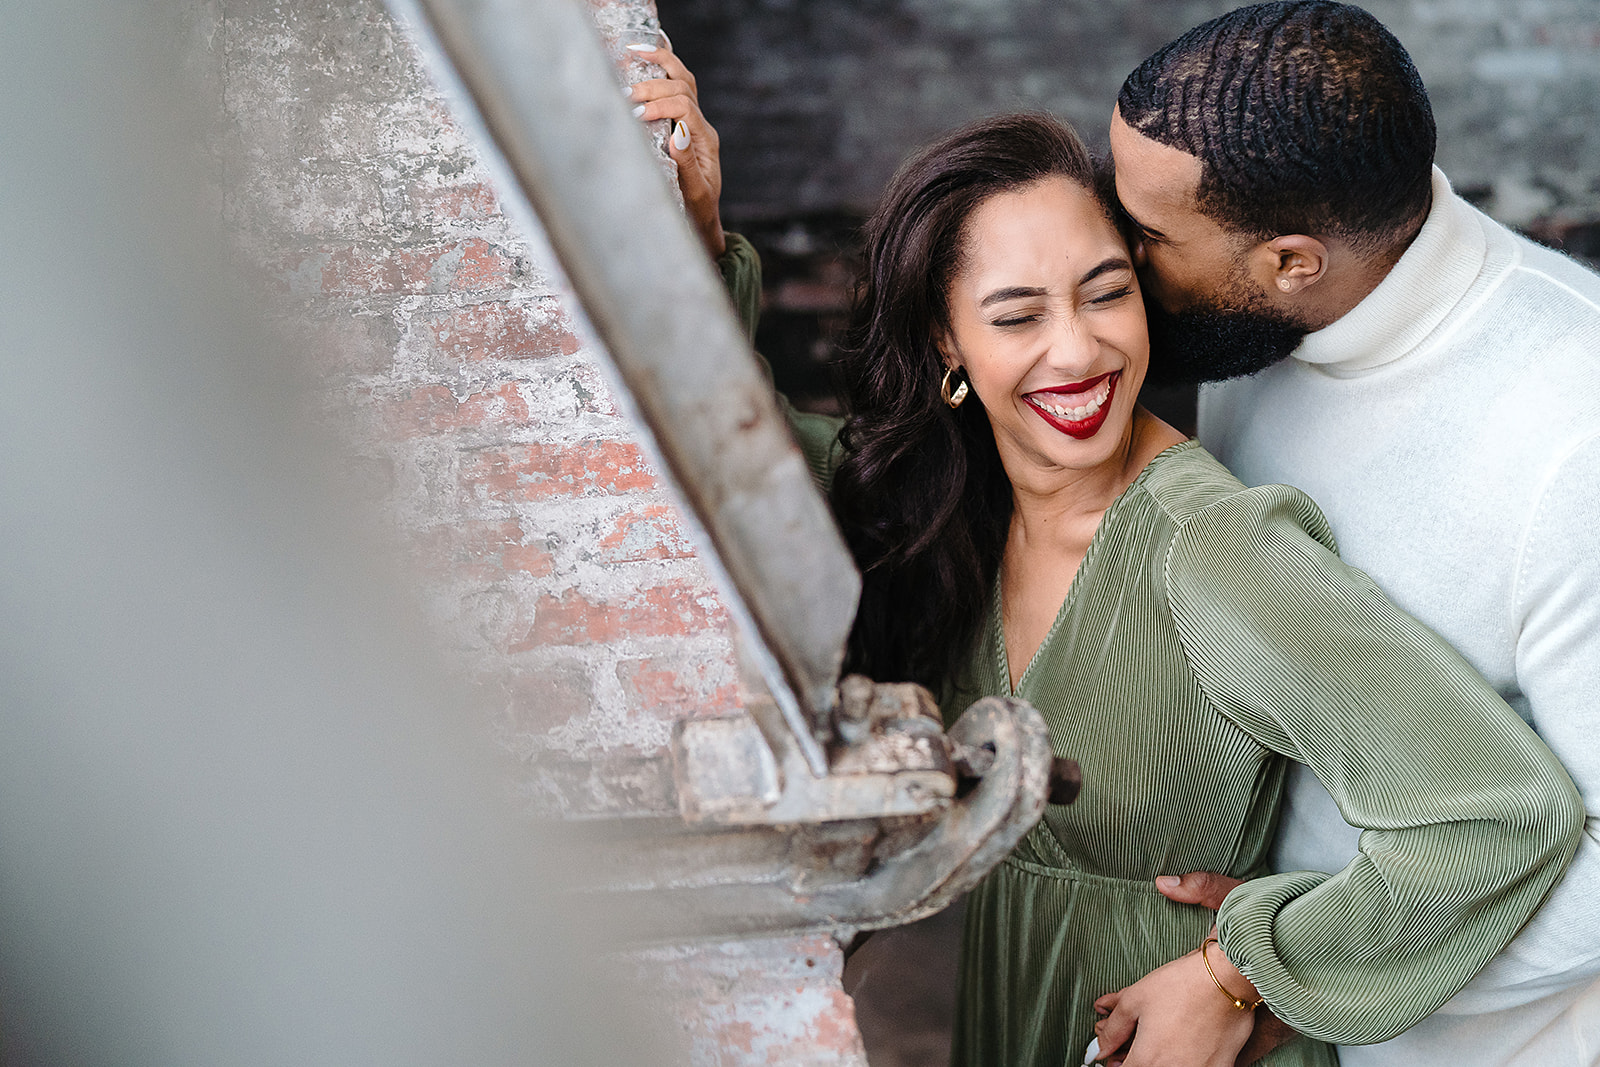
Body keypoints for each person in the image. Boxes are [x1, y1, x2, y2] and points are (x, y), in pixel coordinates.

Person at [626, 43, 1583, 1067]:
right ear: (949, 345)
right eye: (1017, 314)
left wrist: (1249, 968)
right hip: (1019, 1002)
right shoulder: (956, 494)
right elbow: (730, 465)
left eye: (1105, 292)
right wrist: (696, 241)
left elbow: (1494, 812)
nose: (1078, 350)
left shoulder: (1217, 549)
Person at [1105, 3, 1600, 1063]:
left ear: (1291, 259)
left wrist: (1293, 977)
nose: (1119, 254)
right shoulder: (1264, 327)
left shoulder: (1576, 437)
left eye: (1148, 236)